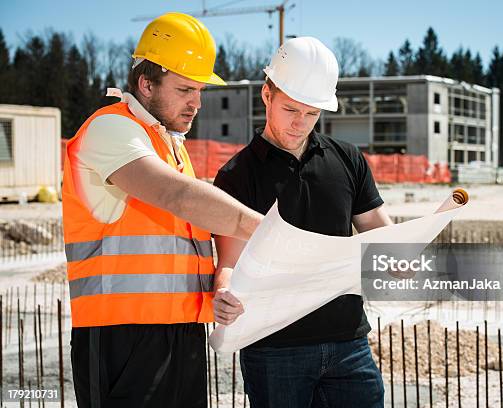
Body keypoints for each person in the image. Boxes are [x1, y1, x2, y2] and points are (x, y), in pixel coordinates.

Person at [62, 12, 262, 408]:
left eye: (200, 91)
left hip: (181, 332)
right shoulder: (110, 129)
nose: (197, 103)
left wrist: (217, 286)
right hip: (123, 337)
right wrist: (271, 231)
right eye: (186, 89)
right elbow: (179, 198)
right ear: (146, 83)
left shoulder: (169, 143)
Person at [212, 37, 392, 408]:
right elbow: (229, 262)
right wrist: (224, 293)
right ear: (267, 95)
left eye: (311, 114)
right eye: (291, 109)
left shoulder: (348, 159)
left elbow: (381, 232)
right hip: (275, 348)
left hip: (349, 340)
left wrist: (401, 256)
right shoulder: (236, 176)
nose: (300, 124)